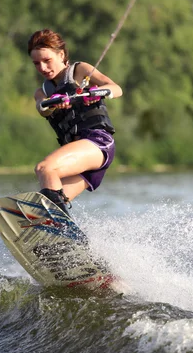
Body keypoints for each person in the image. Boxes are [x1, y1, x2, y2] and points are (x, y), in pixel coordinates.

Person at [28, 28, 123, 217]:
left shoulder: (79, 71)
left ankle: (58, 230)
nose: (43, 68)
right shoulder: (42, 92)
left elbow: (116, 88)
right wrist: (54, 102)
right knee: (41, 211)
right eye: (37, 63)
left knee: (45, 168)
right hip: (80, 157)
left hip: (98, 143)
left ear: (61, 54)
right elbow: (42, 108)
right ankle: (64, 244)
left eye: (47, 61)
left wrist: (93, 93)